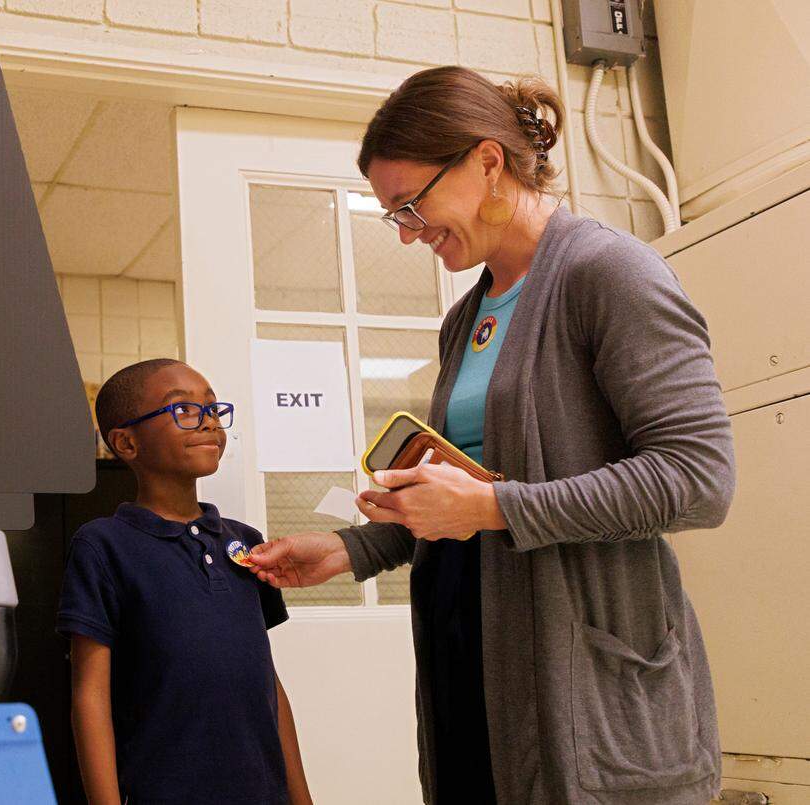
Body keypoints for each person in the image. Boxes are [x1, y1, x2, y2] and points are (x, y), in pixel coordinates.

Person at [249, 66, 734, 805]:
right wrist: (350, 549)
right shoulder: (465, 318)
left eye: (412, 205)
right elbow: (467, 494)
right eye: (395, 216)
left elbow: (698, 478)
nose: (409, 234)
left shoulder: (608, 275)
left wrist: (493, 508)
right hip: (472, 650)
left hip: (582, 673)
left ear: (486, 161)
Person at [58, 358, 312, 805]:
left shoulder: (245, 543)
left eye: (213, 409)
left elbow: (268, 682)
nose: (209, 423)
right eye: (184, 410)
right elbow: (90, 696)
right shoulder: (103, 546)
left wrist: (300, 797)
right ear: (126, 442)